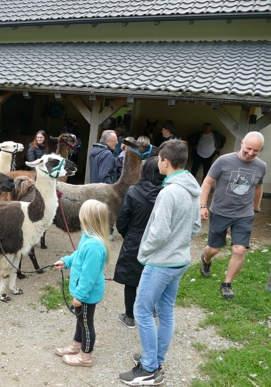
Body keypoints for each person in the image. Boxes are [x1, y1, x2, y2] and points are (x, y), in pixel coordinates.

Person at [119, 139, 201, 386]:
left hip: (161, 263)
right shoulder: (191, 188)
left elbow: (159, 233)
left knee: (142, 311)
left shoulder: (169, 193)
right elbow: (196, 227)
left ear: (165, 161)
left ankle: (147, 369)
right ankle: (155, 358)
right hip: (179, 261)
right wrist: (177, 242)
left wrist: (144, 254)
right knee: (165, 313)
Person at [199, 131, 266, 299]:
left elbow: (258, 187)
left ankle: (227, 284)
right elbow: (207, 182)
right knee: (214, 249)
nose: (251, 153)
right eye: (249, 148)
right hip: (220, 211)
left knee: (239, 249)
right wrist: (202, 206)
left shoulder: (261, 166)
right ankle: (206, 259)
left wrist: (255, 208)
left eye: (256, 151)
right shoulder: (223, 161)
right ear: (242, 143)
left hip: (244, 213)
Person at [53, 199, 110, 367]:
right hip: (83, 293)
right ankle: (76, 345)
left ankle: (86, 357)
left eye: (82, 215)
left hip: (86, 294)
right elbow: (78, 255)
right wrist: (66, 261)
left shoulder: (94, 245)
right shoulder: (88, 236)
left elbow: (89, 276)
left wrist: (80, 295)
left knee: (86, 323)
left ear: (88, 219)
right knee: (81, 320)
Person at [114, 157, 165, 329]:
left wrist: (129, 235)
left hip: (135, 238)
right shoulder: (167, 193)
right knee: (153, 276)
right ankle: (150, 310)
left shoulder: (133, 191)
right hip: (158, 240)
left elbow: (121, 220)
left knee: (131, 279)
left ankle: (129, 316)